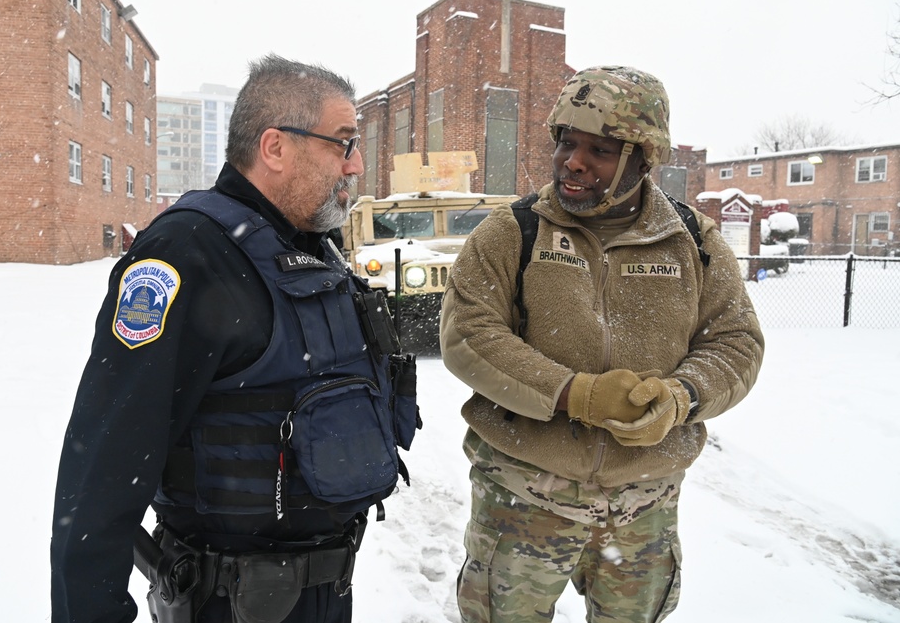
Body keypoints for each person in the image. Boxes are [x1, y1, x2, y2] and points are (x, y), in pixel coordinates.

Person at [51, 54, 418, 623]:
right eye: (343, 143)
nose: (356, 166)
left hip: (322, 593)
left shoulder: (311, 246)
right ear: (275, 147)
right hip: (226, 600)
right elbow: (106, 459)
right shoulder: (187, 254)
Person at [440, 65, 764, 622]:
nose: (574, 161)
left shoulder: (694, 242)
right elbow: (470, 333)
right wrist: (576, 394)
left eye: (601, 149)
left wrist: (680, 397)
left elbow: (736, 341)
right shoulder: (513, 231)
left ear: (644, 158)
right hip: (523, 499)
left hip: (643, 508)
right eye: (567, 142)